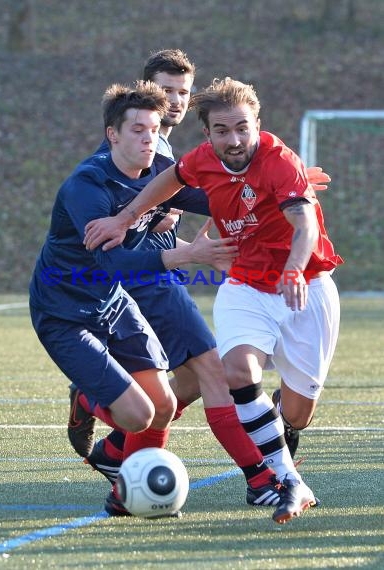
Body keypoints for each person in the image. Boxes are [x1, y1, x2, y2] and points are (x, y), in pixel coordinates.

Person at [83, 77, 343, 524]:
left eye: (242, 128)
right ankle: (285, 481)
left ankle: (280, 424)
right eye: (222, 130)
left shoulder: (280, 162)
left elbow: (305, 227)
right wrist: (126, 219)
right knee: (235, 370)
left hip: (306, 285)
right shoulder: (203, 160)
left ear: (257, 124)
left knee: (298, 414)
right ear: (208, 135)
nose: (234, 139)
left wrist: (295, 269)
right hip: (245, 285)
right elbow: (169, 178)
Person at [28, 79, 233, 518]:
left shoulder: (160, 168)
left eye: (153, 129)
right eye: (137, 129)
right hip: (64, 311)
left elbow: (219, 196)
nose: (147, 138)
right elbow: (115, 265)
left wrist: (278, 189)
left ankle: (126, 497)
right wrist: (191, 255)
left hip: (113, 304)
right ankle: (86, 399)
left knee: (164, 404)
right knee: (138, 415)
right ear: (113, 135)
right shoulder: (87, 186)